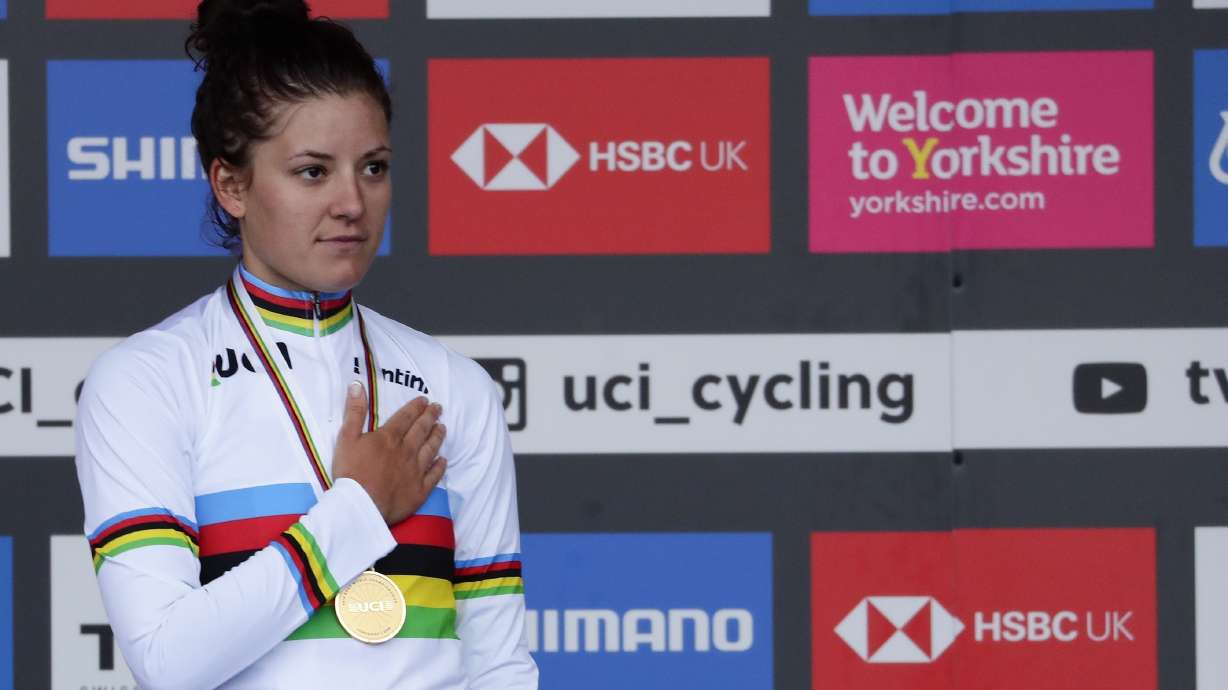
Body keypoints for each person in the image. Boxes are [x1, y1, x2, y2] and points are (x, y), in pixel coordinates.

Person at [72, 1, 538, 688]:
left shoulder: (452, 385)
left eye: (373, 168)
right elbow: (170, 663)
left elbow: (499, 667)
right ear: (231, 184)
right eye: (313, 172)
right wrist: (356, 509)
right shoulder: (144, 381)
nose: (352, 202)